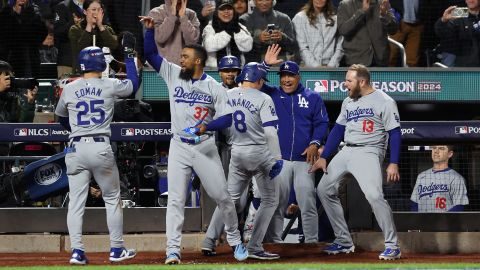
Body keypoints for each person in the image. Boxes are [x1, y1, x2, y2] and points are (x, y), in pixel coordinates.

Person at [140, 15, 248, 265]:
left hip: (204, 146)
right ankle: (173, 250)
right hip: (178, 145)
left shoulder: (214, 87)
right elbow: (151, 55)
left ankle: (235, 240)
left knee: (223, 197)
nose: (181, 59)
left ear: (197, 61)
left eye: (185, 57)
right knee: (175, 200)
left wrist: (205, 126)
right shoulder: (174, 74)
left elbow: (228, 119)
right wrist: (149, 32)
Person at [54, 35, 139, 264]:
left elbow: (60, 116)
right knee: (112, 198)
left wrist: (75, 128)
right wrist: (130, 55)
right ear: (102, 63)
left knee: (76, 202)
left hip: (76, 148)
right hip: (100, 146)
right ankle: (116, 249)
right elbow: (134, 85)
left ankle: (77, 252)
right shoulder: (109, 84)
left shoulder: (69, 88)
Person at [310, 64, 402, 260]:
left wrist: (393, 162)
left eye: (349, 81)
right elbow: (337, 130)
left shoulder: (384, 101)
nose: (345, 84)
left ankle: (392, 245)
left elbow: (394, 132)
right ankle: (343, 240)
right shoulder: (348, 102)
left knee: (374, 196)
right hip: (346, 150)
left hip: (369, 151)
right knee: (324, 190)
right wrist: (325, 156)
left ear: (362, 81)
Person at [203, 62, 283, 260]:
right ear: (257, 79)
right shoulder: (264, 98)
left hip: (236, 152)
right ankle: (254, 246)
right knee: (270, 199)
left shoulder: (227, 95)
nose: (263, 83)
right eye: (262, 80)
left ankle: (209, 240)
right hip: (259, 152)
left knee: (228, 199)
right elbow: (271, 132)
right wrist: (276, 159)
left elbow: (214, 119)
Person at [260, 45, 329, 244]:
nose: (286, 79)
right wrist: (265, 65)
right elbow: (254, 82)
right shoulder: (270, 94)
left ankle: (311, 242)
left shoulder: (312, 97)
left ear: (298, 77)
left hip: (303, 159)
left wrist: (316, 143)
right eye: (283, 75)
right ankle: (275, 243)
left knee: (307, 202)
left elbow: (322, 122)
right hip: (279, 159)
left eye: (290, 75)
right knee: (277, 203)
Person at [337, 0, 398, 67]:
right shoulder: (345, 5)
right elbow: (343, 30)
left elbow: (393, 30)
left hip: (380, 60)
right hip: (356, 61)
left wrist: (384, 15)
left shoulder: (382, 3)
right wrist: (362, 11)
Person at [411, 145, 469, 212]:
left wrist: (441, 221)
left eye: (441, 148)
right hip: (422, 221)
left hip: (445, 222)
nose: (436, 151)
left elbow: (459, 207)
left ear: (450, 154)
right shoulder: (421, 176)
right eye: (434, 148)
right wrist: (416, 220)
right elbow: (414, 204)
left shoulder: (457, 178)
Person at [0, 0, 48, 78]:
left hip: (30, 60)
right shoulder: (5, 14)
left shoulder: (34, 14)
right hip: (9, 60)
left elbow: (41, 34)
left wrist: (29, 19)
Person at [68, 0, 118, 73]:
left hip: (103, 73)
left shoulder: (107, 29)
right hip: (82, 73)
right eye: (93, 9)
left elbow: (114, 45)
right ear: (85, 12)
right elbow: (79, 49)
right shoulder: (75, 29)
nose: (96, 13)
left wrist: (100, 26)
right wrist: (89, 25)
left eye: (99, 10)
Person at [292, 0, 344, 67]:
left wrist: (331, 66)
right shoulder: (300, 18)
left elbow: (340, 45)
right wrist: (316, 67)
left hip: (330, 68)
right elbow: (302, 47)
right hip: (307, 67)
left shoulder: (335, 19)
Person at [148, 0, 200, 66]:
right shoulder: (156, 13)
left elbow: (192, 42)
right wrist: (172, 16)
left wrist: (183, 17)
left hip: (183, 68)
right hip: (160, 68)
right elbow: (160, 38)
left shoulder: (192, 14)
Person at [202, 0, 253, 68]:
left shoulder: (240, 27)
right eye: (222, 9)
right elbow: (209, 46)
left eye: (229, 9)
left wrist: (237, 31)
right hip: (215, 71)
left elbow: (248, 47)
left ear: (233, 11)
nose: (226, 11)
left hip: (237, 69)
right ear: (217, 12)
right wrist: (227, 32)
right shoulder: (209, 28)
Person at [435, 0, 480, 67]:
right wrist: (443, 20)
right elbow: (442, 34)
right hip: (464, 64)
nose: (471, 0)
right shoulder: (459, 13)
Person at [389, 0, 427, 67]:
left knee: (413, 60)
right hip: (398, 23)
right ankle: (386, 76)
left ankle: (410, 77)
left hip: (417, 24)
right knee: (391, 55)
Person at [53, 0, 85, 77]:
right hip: (68, 61)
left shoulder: (93, 5)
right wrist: (72, 23)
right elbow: (58, 32)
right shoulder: (63, 6)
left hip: (89, 62)